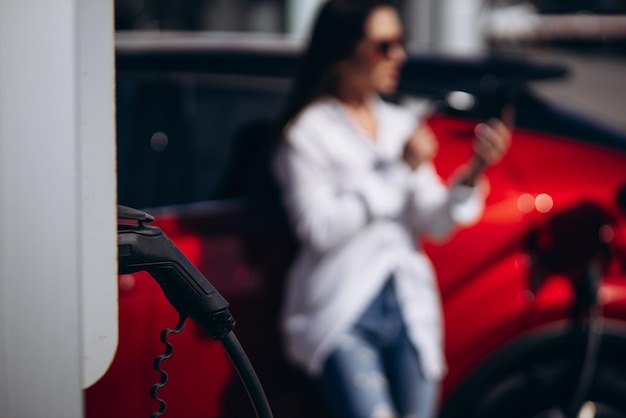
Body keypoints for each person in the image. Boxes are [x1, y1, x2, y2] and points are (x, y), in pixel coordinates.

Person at [272, 1, 512, 417]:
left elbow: (434, 222)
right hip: (342, 311)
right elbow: (318, 229)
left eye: (400, 43)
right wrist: (397, 170)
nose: (398, 56)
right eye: (383, 45)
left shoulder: (401, 122)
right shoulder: (307, 133)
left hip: (408, 307)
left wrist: (474, 171)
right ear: (344, 50)